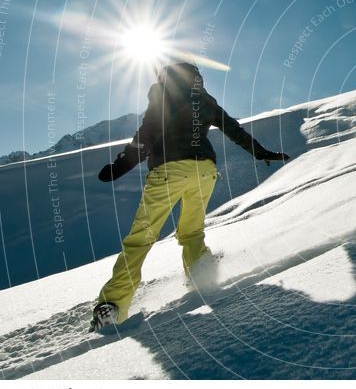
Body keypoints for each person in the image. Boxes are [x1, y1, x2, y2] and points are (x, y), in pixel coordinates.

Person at [91, 62, 289, 330]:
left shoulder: (162, 98)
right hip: (204, 172)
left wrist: (119, 167)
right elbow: (233, 129)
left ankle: (111, 306)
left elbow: (144, 138)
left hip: (168, 172)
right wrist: (261, 152)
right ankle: (203, 279)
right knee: (192, 233)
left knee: (140, 239)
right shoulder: (204, 101)